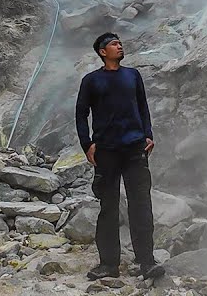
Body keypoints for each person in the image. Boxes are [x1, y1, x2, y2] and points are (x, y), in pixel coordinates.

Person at [75, 32, 165, 281]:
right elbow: (81, 114)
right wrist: (87, 144)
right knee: (109, 207)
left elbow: (143, 106)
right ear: (103, 52)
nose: (119, 46)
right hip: (106, 150)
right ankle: (108, 264)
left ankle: (147, 261)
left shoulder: (132, 75)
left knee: (141, 205)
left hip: (135, 147)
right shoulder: (91, 80)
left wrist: (148, 133)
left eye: (120, 43)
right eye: (114, 44)